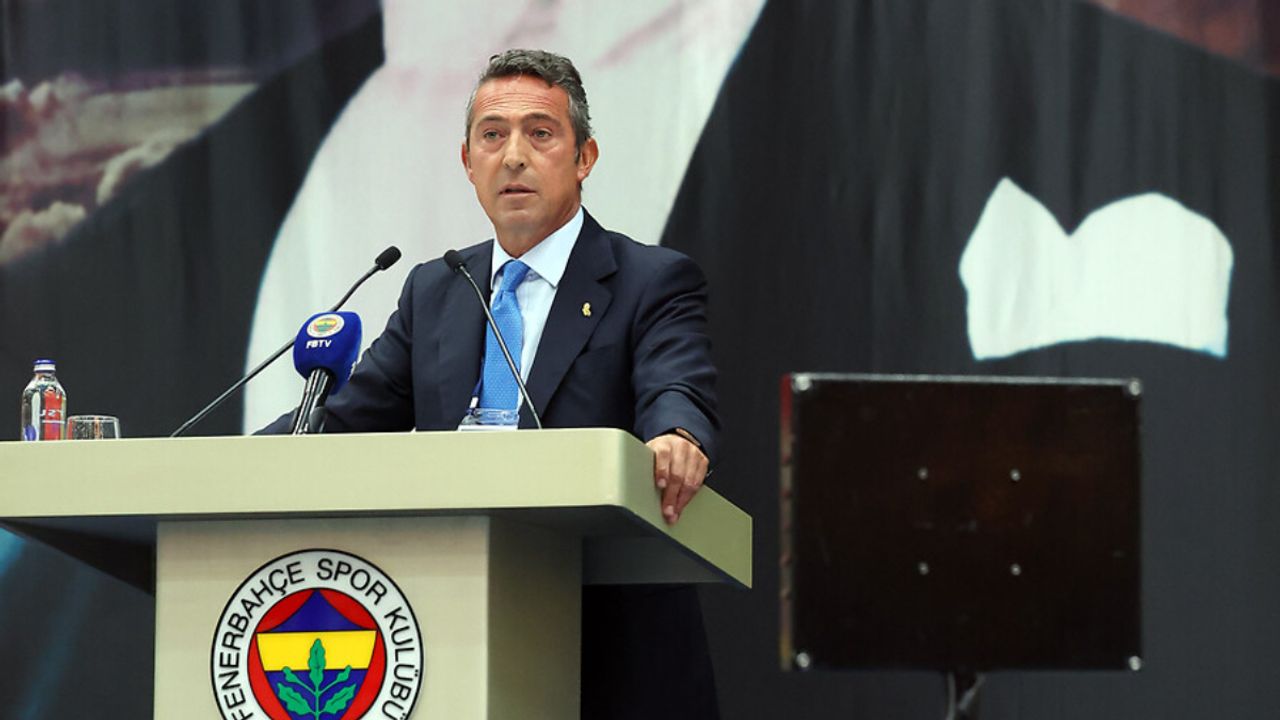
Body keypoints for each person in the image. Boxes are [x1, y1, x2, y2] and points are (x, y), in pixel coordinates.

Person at [266, 49, 721, 717]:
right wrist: (224, 462)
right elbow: (342, 422)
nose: (513, 156)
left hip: (610, 646)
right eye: (492, 135)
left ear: (585, 157)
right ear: (467, 162)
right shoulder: (435, 290)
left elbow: (674, 383)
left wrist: (678, 435)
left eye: (540, 133)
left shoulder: (650, 281)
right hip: (453, 632)